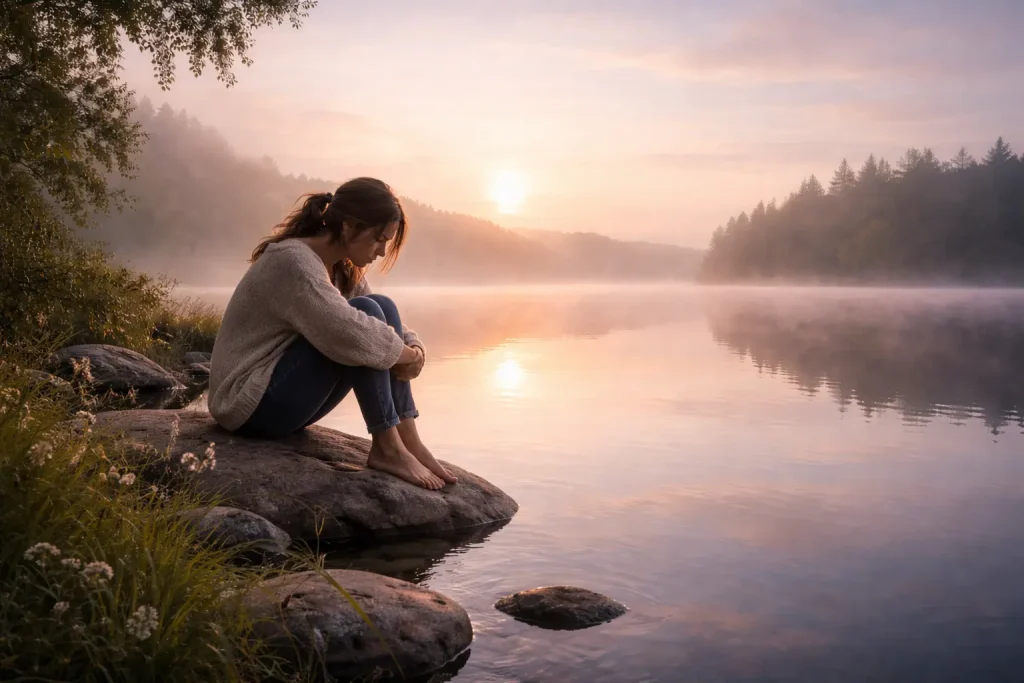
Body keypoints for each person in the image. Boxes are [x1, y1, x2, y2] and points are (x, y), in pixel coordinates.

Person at [208, 177, 456, 490]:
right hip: (248, 405)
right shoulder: (293, 262)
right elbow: (348, 331)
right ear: (350, 226)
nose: (381, 252)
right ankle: (388, 448)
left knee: (378, 306)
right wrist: (402, 356)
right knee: (363, 322)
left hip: (279, 400)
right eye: (379, 239)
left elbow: (382, 323)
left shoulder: (339, 267)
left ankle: (407, 439)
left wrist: (415, 348)